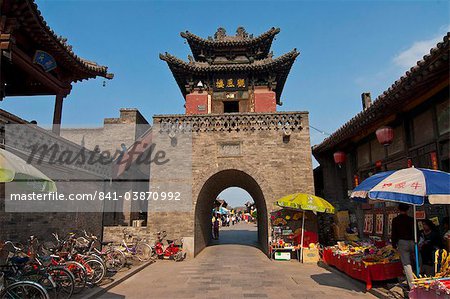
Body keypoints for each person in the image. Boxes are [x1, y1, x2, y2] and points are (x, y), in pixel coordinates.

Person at [391, 203, 415, 289]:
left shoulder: (395, 220)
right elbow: (416, 231)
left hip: (402, 242)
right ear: (408, 210)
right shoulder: (412, 219)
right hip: (413, 242)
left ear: (399, 209)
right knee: (417, 261)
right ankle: (420, 278)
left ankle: (412, 286)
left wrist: (394, 244)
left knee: (407, 264)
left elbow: (394, 233)